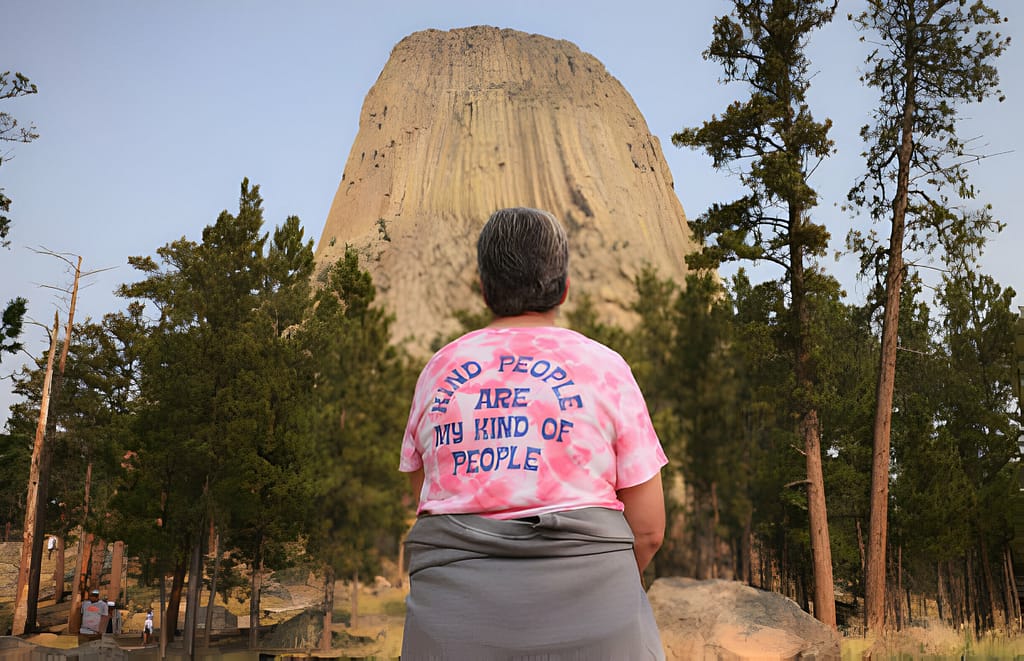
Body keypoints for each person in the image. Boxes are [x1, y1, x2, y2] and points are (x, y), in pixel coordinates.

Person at [399, 207, 668, 659]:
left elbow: (426, 495)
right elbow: (649, 530)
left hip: (452, 632)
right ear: (564, 289)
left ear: (484, 290)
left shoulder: (438, 371)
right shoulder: (606, 369)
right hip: (600, 625)